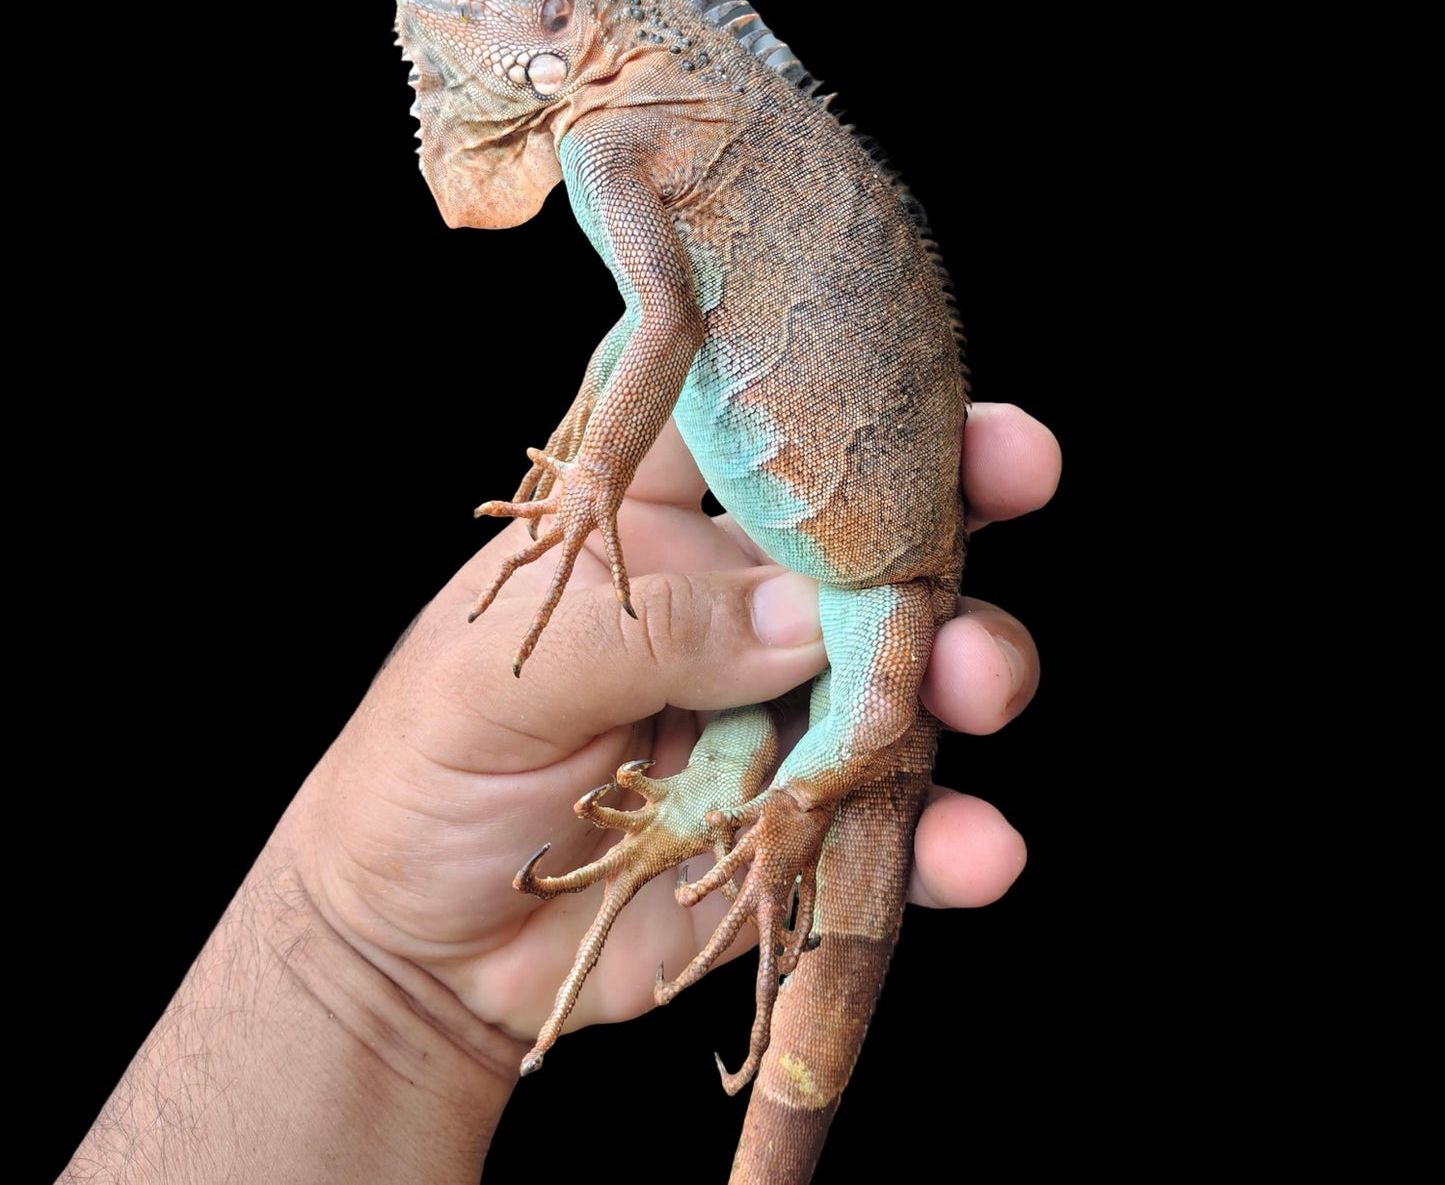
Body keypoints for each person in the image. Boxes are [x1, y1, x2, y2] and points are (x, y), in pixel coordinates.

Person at [65, 403, 1060, 1183]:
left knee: (895, 695)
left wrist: (374, 968)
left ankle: (770, 803)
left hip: (867, 624)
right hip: (807, 653)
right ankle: (734, 794)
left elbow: (659, 316)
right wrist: (373, 960)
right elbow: (651, 324)